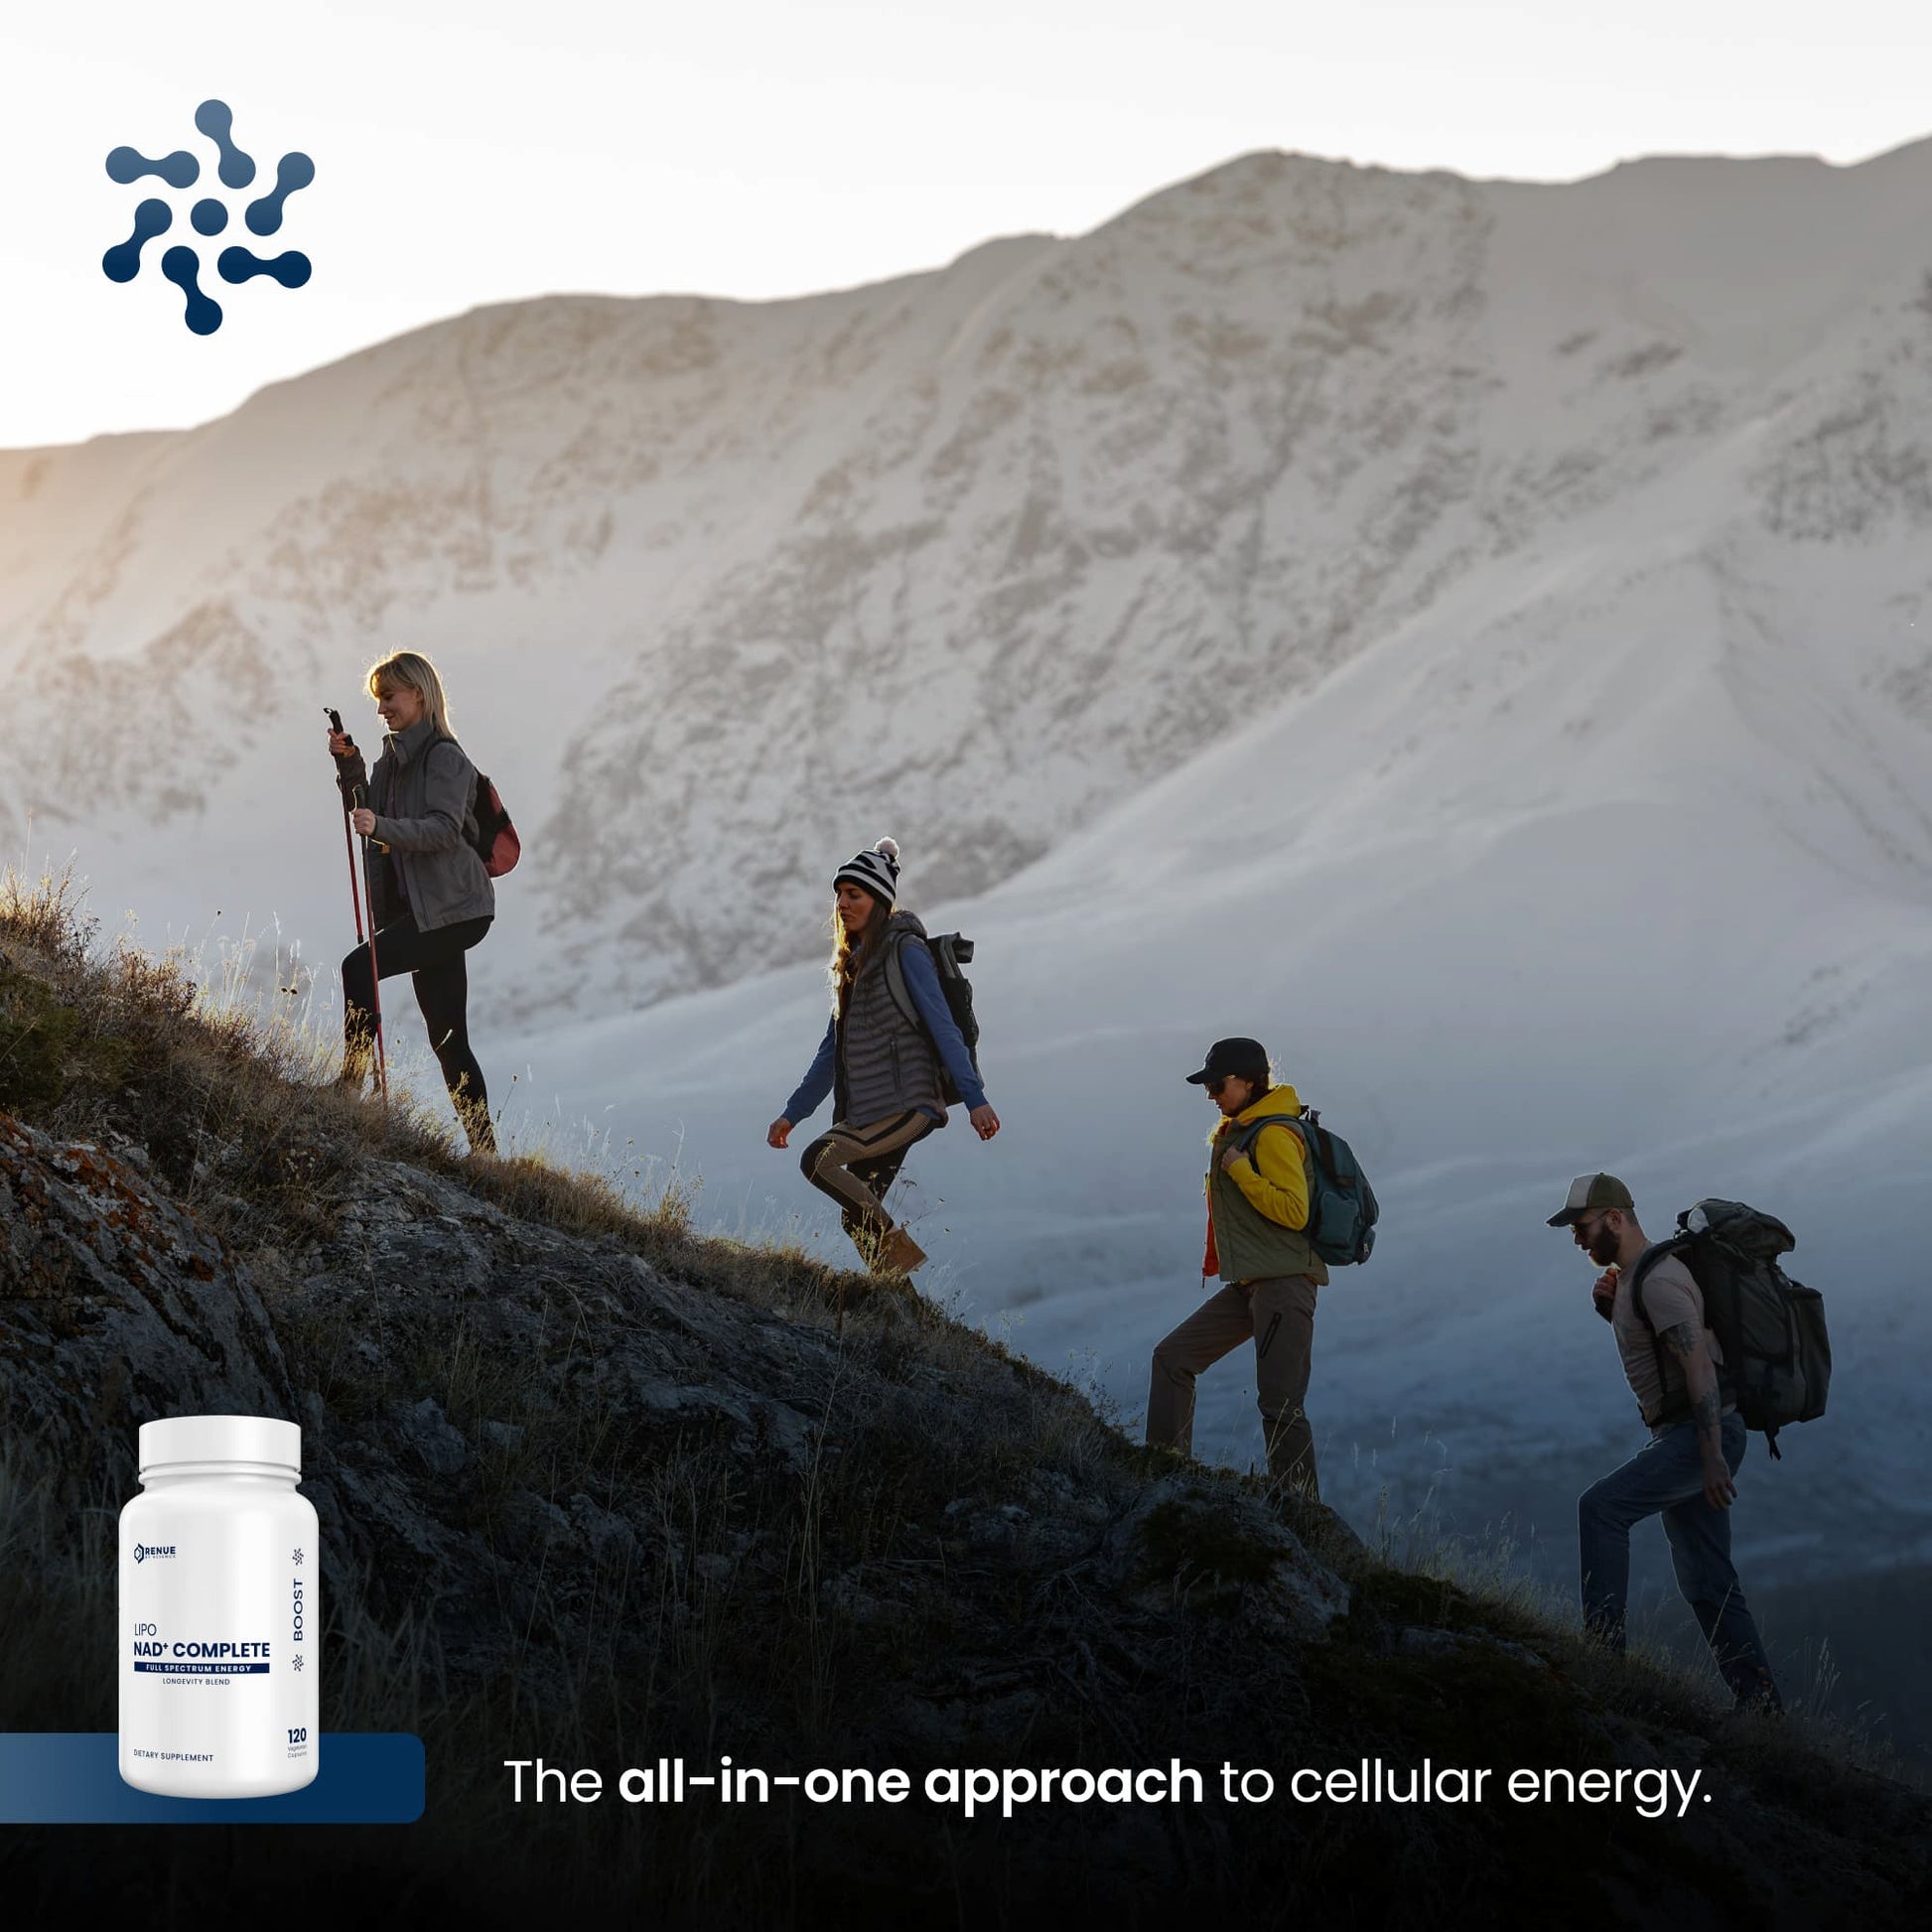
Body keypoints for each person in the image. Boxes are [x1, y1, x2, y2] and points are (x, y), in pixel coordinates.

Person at [1550, 1173, 1782, 1712]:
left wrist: (1710, 1458)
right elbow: (1662, 1351)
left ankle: (1603, 1666)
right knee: (1708, 1581)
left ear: (1615, 1218)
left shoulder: (1657, 1279)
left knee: (1600, 1510)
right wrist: (1614, 1312)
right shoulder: (1634, 1281)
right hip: (1693, 1435)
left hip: (1703, 1435)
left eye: (1582, 1227)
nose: (1577, 1239)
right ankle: (1764, 1709)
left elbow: (1697, 1362)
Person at [767, 838, 999, 1275]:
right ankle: (907, 1314)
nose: (842, 903)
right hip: (871, 1110)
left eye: (854, 894)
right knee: (856, 1218)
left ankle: (901, 1256)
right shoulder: (852, 966)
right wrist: (792, 1114)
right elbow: (830, 1053)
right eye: (839, 894)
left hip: (909, 1102)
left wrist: (975, 1098)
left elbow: (941, 1023)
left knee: (818, 1160)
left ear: (879, 900)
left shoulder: (905, 950)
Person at [327, 650, 497, 1156]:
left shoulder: (445, 756)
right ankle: (487, 1155)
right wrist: (349, 764)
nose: (382, 708)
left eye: (389, 697)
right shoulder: (391, 758)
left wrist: (381, 827)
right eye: (379, 699)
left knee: (359, 968)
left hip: (455, 909)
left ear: (418, 694)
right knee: (448, 1038)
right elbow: (366, 809)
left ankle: (349, 1090)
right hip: (431, 911)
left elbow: (444, 829)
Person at [1145, 1036, 1326, 1497]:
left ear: (1249, 1082)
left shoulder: (1274, 1134)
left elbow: (1295, 1212)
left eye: (1217, 1085)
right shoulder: (1242, 1130)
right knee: (1173, 1358)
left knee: (1281, 1407)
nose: (1211, 1095)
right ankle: (1163, 1478)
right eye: (1207, 1087)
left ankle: (1304, 1521)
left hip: (1284, 1284)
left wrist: (1242, 1171)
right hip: (1252, 1284)